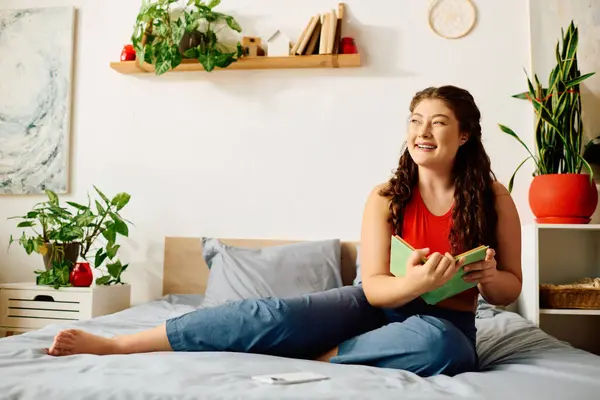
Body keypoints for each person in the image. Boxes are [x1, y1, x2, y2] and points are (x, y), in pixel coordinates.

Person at [47, 85, 522, 378]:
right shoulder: (387, 196)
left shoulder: (494, 200)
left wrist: (485, 276)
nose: (423, 130)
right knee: (265, 314)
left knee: (444, 349)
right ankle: (118, 343)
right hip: (372, 307)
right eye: (415, 120)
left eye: (438, 122)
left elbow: (509, 289)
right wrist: (416, 283)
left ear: (463, 136)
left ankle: (320, 358)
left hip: (444, 323)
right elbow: (375, 288)